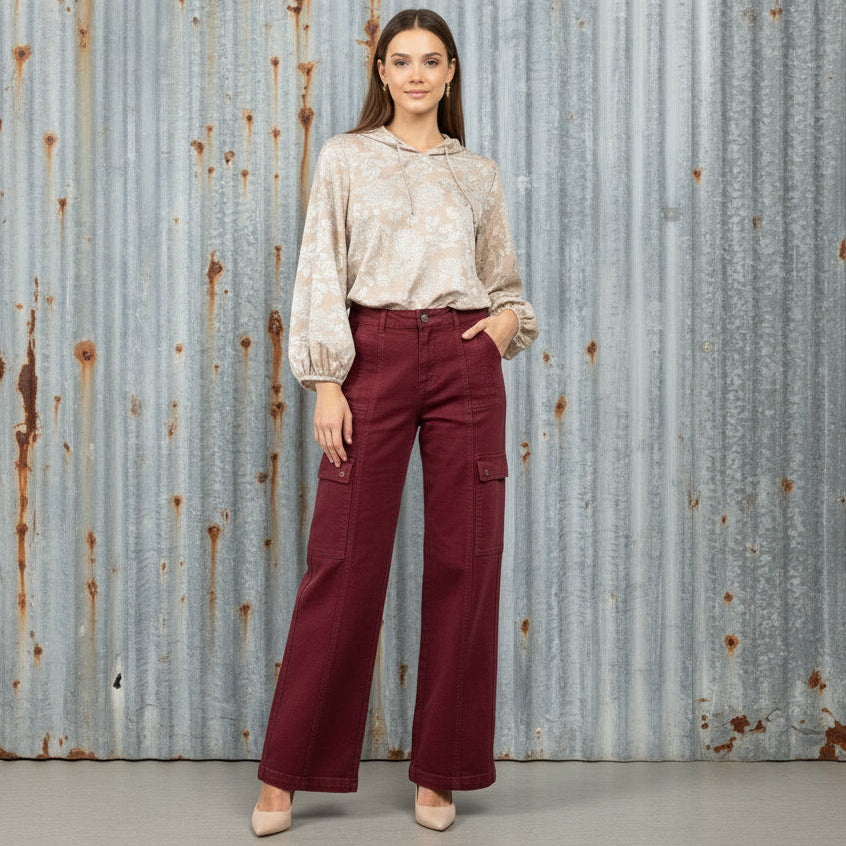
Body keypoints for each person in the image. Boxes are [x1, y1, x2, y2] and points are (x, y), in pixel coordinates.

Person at [251, 7, 538, 836]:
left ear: (450, 75)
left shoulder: (475, 173)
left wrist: (509, 323)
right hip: (369, 355)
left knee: (466, 561)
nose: (416, 73)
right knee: (342, 560)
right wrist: (325, 382)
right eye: (401, 60)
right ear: (381, 72)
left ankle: (442, 771)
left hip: (464, 358)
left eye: (432, 61)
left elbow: (505, 282)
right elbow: (319, 267)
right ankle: (286, 774)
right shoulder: (346, 158)